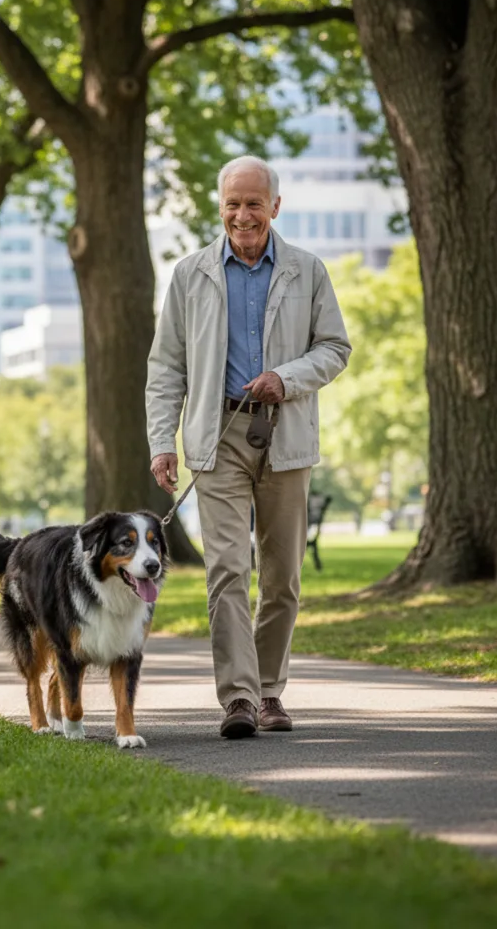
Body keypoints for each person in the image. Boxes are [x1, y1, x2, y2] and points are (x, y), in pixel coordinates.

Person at [146, 155, 351, 740]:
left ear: (275, 207)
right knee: (228, 569)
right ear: (221, 207)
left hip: (285, 433)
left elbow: (335, 347)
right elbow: (166, 368)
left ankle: (269, 691)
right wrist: (163, 442)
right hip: (218, 436)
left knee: (282, 576)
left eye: (254, 204)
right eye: (233, 204)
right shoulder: (190, 275)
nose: (243, 215)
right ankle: (238, 698)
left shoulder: (307, 270)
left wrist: (286, 379)